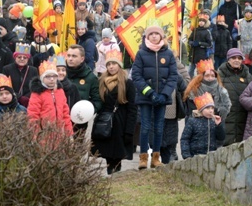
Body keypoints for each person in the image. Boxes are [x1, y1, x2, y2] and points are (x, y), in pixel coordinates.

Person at [131, 24, 178, 170]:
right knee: (145, 127)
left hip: (162, 98)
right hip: (146, 97)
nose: (154, 36)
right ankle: (143, 158)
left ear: (161, 37)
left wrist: (164, 94)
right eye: (151, 34)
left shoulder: (168, 54)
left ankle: (156, 158)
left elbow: (173, 76)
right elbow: (136, 76)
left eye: (156, 34)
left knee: (159, 128)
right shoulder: (141, 53)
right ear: (146, 37)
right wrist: (149, 92)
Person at [90, 51, 137, 174]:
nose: (111, 66)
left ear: (119, 65)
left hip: (120, 124)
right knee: (107, 155)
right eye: (109, 64)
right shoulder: (101, 81)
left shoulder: (127, 83)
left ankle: (115, 178)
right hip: (105, 123)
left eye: (114, 64)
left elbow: (132, 109)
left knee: (117, 157)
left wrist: (129, 131)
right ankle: (111, 177)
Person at [27, 60, 73, 135]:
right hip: (44, 134)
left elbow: (65, 114)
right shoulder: (37, 93)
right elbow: (33, 116)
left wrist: (69, 133)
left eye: (54, 76)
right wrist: (36, 136)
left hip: (59, 134)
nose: (52, 79)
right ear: (42, 78)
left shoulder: (60, 91)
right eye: (48, 76)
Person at [218, 48, 252, 145]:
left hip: (242, 115)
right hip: (226, 116)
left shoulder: (247, 75)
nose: (236, 60)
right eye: (233, 58)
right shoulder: (220, 74)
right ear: (228, 59)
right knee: (226, 144)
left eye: (239, 58)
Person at [65, 45, 102, 131]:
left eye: (74, 56)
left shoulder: (90, 77)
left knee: (77, 144)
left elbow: (98, 100)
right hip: (60, 121)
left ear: (82, 59)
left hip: (79, 122)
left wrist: (87, 111)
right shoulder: (61, 74)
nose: (70, 59)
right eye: (69, 55)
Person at [180, 92, 225, 159]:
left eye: (212, 108)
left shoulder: (214, 121)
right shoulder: (192, 121)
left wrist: (219, 125)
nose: (210, 111)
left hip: (211, 157)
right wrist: (187, 156)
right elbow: (185, 139)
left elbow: (221, 138)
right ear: (201, 110)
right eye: (207, 108)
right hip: (195, 157)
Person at [3, 44, 38, 108]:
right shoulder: (7, 69)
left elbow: (35, 86)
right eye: (19, 57)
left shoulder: (33, 70)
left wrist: (26, 97)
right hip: (12, 101)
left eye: (25, 57)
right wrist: (19, 97)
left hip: (29, 101)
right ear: (15, 57)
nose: (22, 59)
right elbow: (6, 86)